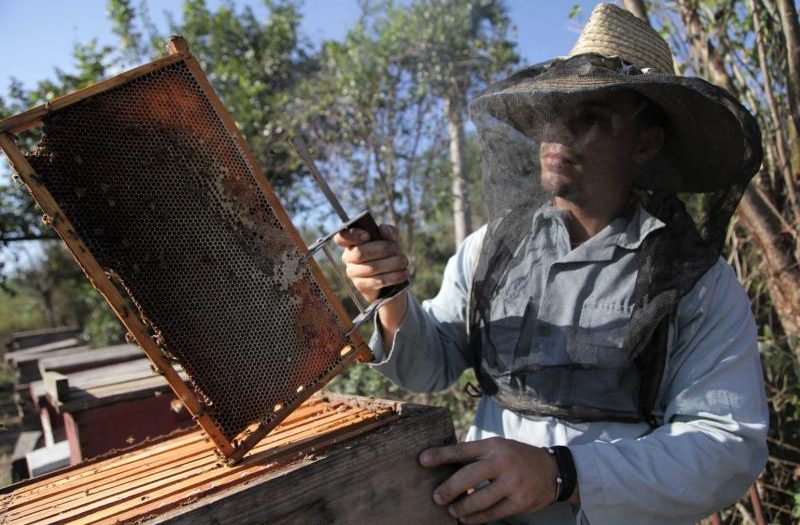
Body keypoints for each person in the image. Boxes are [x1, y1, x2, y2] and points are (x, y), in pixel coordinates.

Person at [334, 4, 768, 525]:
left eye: (592, 118)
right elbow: (431, 363)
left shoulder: (698, 282)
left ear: (646, 144)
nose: (558, 133)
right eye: (553, 111)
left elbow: (726, 447)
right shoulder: (489, 247)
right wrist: (390, 294)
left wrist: (563, 474)